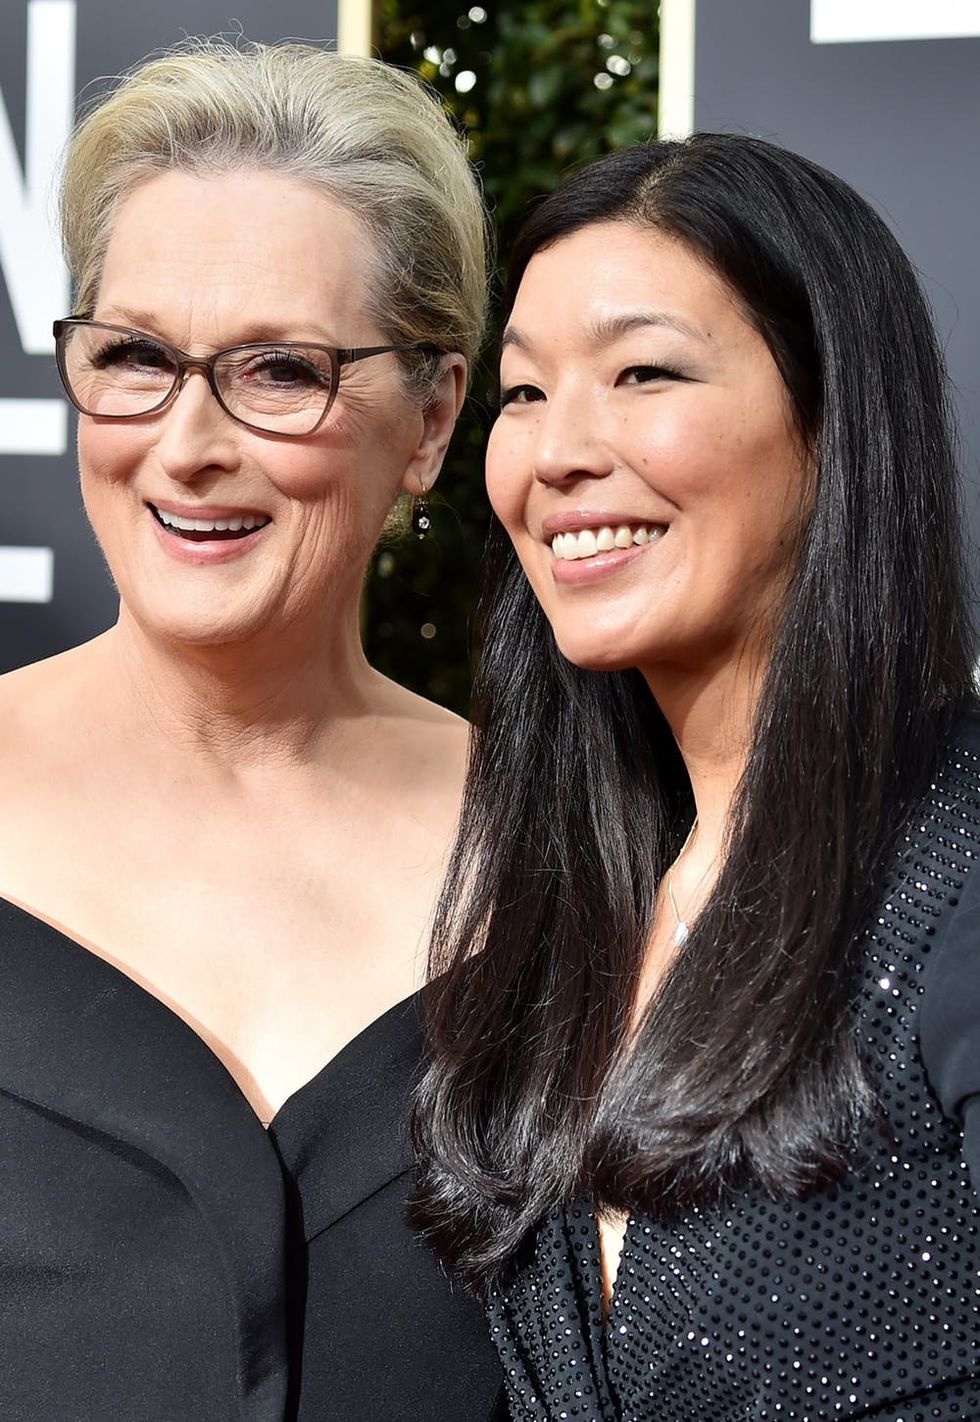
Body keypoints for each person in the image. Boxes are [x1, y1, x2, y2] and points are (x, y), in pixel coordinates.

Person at [412, 135, 980, 1420]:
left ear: (832, 422)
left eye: (642, 373)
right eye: (522, 392)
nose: (557, 452)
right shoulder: (567, 921)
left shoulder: (954, 864)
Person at [0, 38, 505, 1422]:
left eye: (280, 370)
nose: (187, 444)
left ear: (431, 417)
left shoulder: (581, 857)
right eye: (136, 357)